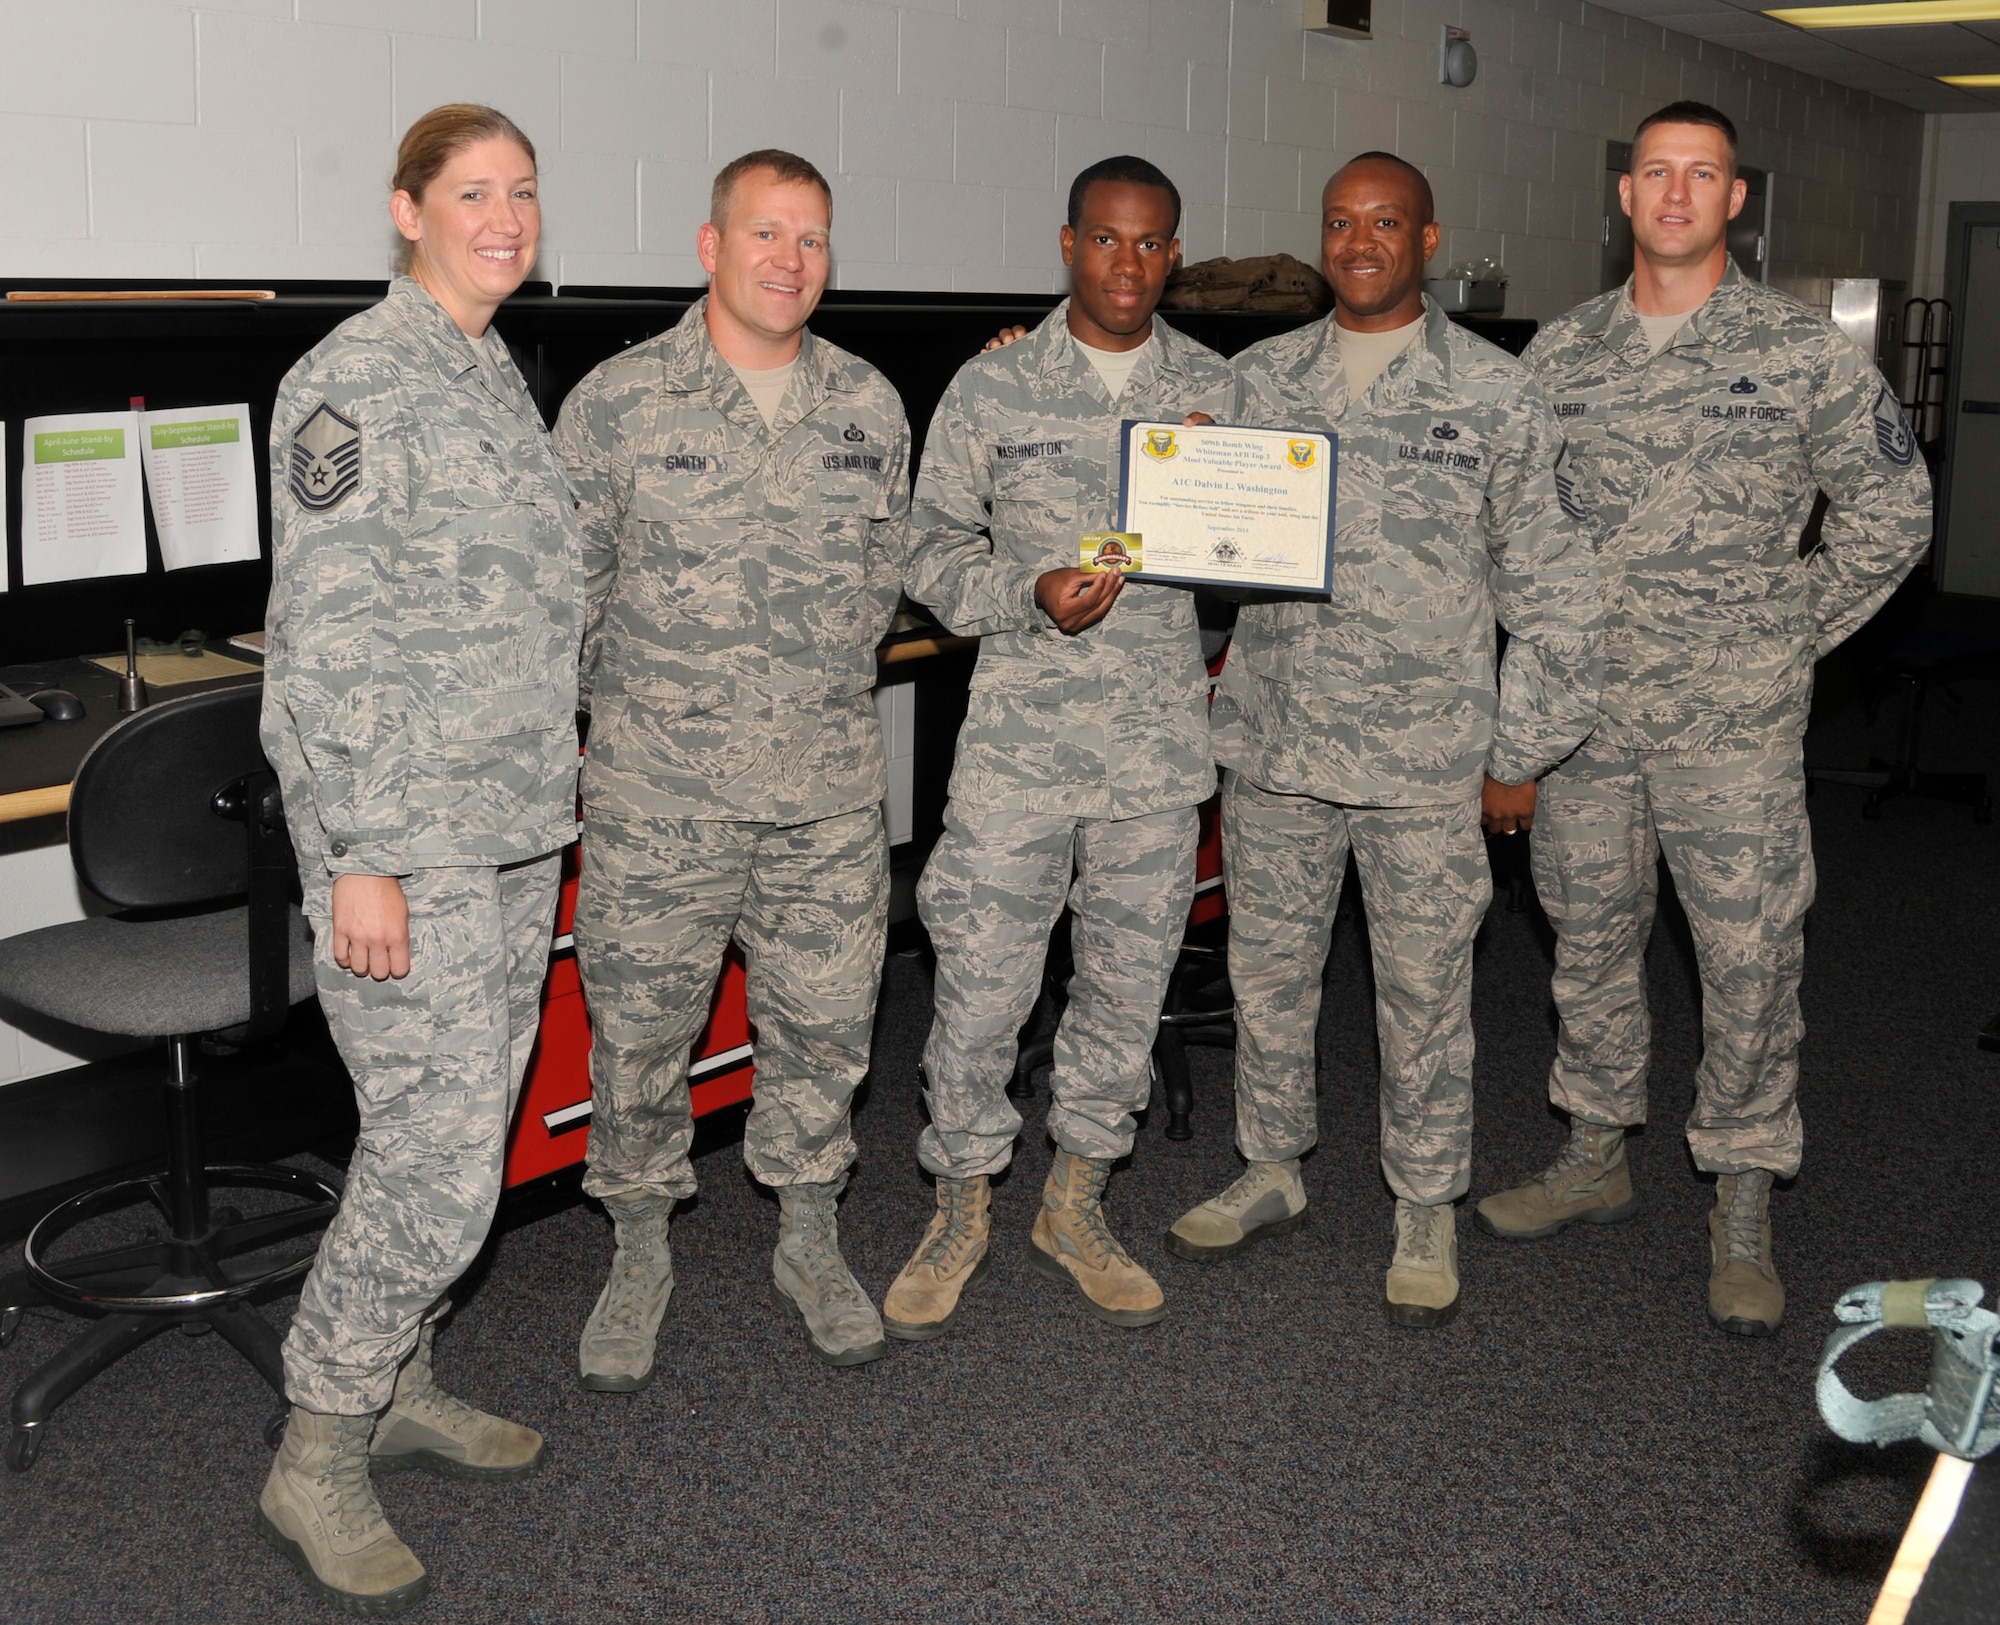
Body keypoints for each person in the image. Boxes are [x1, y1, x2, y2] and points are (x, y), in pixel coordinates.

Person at [1476, 102, 1933, 1337]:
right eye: (1655, 174)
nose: (1676, 194)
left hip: (1729, 727)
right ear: (1621, 196)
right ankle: (1594, 1148)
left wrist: (1790, 633)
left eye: (1705, 176)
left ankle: (1739, 1192)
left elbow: (1891, 511)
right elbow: (1513, 534)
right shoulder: (1556, 356)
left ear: (1737, 200)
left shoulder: (1798, 353)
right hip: (1586, 726)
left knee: (1745, 960)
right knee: (1587, 941)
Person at [1166, 153, 1604, 1329]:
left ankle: (1424, 1201)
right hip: (1274, 746)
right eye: (1338, 223)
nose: (1358, 241)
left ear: (1425, 238)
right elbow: (1180, 516)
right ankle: (1270, 1165)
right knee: (1267, 978)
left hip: (1425, 763)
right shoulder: (1258, 378)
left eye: (1384, 222)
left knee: (1420, 994)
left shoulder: (1498, 394)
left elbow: (1558, 597)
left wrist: (1518, 753)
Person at [257, 105, 582, 1615]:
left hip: (507, 824)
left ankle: (402, 1385)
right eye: (471, 192)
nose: (503, 216)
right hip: (410, 840)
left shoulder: (487, 373)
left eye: (521, 191)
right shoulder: (353, 384)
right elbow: (329, 644)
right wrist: (368, 856)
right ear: (408, 209)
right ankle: (317, 1447)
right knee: (441, 1162)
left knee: (450, 1135)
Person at [554, 150, 911, 1381]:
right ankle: (639, 1244)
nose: (788, 260)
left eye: (811, 239)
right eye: (764, 234)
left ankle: (808, 1234)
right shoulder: (618, 400)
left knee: (824, 1030)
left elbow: (877, 585)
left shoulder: (868, 402)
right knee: (640, 1034)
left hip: (822, 798)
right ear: (709, 247)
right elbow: (573, 599)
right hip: (663, 802)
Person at [882, 156, 1236, 1339]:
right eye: (1104, 240)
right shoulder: (992, 388)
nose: (1125, 264)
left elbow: (1261, 560)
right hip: (1018, 754)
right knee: (980, 992)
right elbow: (925, 552)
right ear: (1067, 243)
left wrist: (1220, 499)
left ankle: (1075, 1201)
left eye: (1149, 244)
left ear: (1171, 254)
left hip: (1152, 755)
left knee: (1123, 995)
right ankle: (960, 1200)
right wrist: (1024, 588)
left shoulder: (1216, 393)